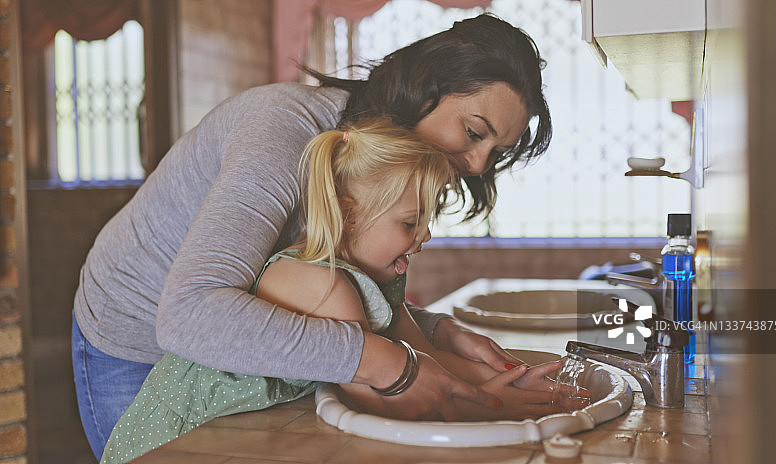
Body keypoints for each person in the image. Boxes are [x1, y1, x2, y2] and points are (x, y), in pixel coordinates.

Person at [72, 13, 554, 460]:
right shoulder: (286, 135)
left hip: (227, 361)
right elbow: (188, 316)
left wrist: (436, 331)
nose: (477, 165)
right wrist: (388, 363)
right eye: (474, 132)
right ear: (423, 89)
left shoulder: (381, 171)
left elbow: (325, 288)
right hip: (136, 340)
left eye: (497, 152)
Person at [100, 119, 576, 463]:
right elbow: (384, 395)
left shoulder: (379, 278)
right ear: (349, 215)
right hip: (170, 438)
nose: (425, 235)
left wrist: (510, 376)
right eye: (411, 222)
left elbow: (421, 355)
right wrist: (498, 404)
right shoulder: (321, 283)